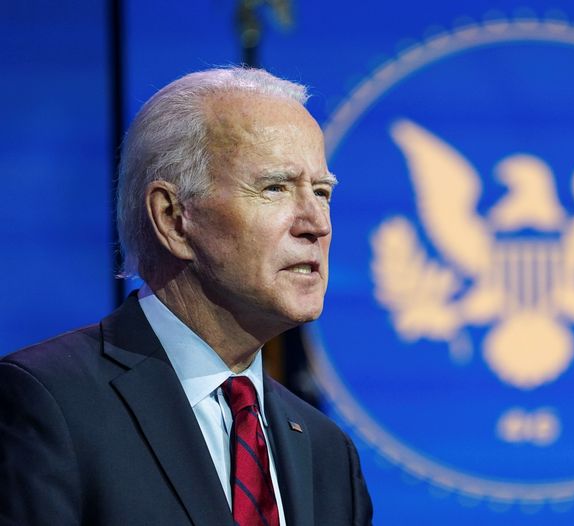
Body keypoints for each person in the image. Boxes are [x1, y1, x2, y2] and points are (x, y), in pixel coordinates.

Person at [0, 67, 373, 526]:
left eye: (322, 192)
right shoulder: (47, 402)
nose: (316, 223)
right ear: (173, 218)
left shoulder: (326, 452)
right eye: (275, 188)